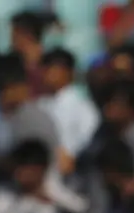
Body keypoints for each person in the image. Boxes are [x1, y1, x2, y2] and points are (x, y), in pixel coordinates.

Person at [39, 48, 101, 177]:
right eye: (46, 69)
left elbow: (89, 140)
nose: (48, 74)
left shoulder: (83, 107)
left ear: (69, 72)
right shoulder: (40, 105)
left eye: (54, 69)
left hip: (73, 171)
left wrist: (71, 156)